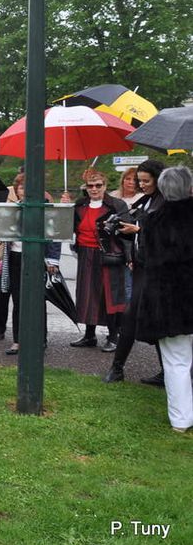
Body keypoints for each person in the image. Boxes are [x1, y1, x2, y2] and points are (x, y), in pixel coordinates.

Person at [132, 166, 193, 433]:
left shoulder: (152, 221)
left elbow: (144, 259)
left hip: (170, 301)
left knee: (176, 362)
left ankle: (181, 420)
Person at [104, 159, 166, 384]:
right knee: (151, 319)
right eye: (140, 181)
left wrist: (139, 229)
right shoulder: (147, 200)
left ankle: (117, 368)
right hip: (141, 265)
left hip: (157, 270)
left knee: (135, 317)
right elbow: (140, 234)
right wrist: (126, 231)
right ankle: (160, 371)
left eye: (146, 181)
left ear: (159, 179)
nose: (142, 185)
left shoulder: (168, 202)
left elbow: (168, 236)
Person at [64, 169, 129, 352]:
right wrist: (65, 208)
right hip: (85, 254)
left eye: (98, 185)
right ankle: (89, 335)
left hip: (109, 255)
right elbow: (66, 227)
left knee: (108, 295)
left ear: (105, 186)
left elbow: (126, 233)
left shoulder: (117, 205)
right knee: (86, 295)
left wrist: (129, 257)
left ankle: (113, 336)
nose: (94, 189)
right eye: (90, 186)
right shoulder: (80, 205)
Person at [0, 174, 61, 355]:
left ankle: (40, 339)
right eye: (21, 187)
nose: (24, 190)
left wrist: (52, 260)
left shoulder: (46, 209)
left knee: (39, 300)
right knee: (18, 300)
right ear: (16, 190)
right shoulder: (13, 209)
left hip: (37, 259)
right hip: (16, 258)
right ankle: (18, 340)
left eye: (28, 187)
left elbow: (54, 235)